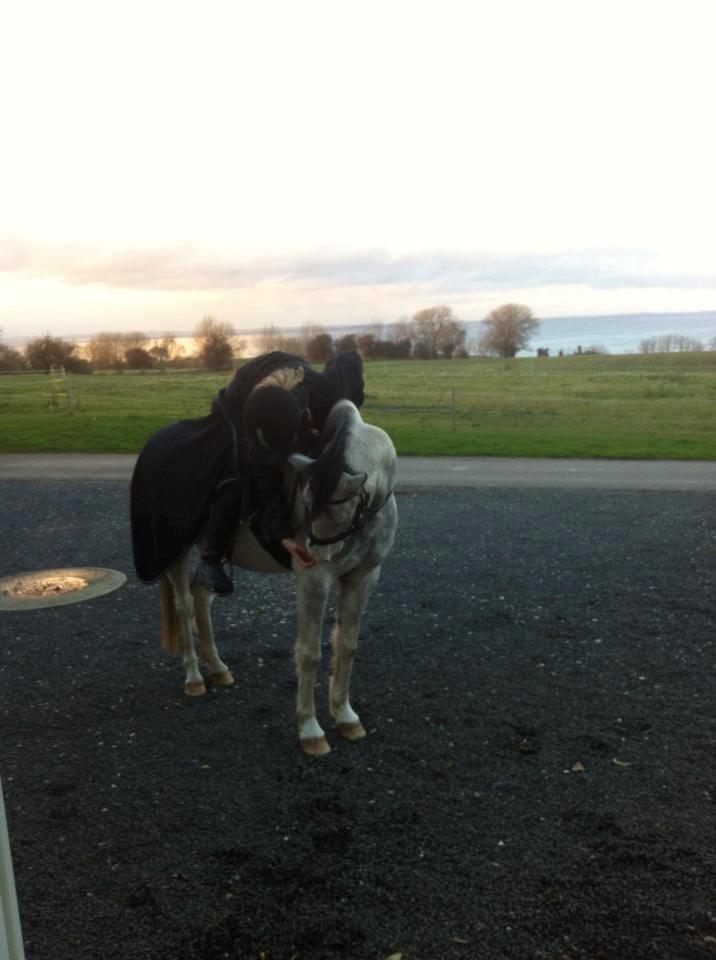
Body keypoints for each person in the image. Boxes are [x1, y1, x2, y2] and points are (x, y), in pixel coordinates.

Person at [130, 350, 365, 593]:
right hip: (238, 401)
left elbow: (349, 358)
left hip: (283, 392)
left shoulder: (328, 389)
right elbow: (266, 481)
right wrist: (284, 535)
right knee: (236, 470)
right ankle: (212, 557)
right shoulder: (246, 415)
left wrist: (352, 416)